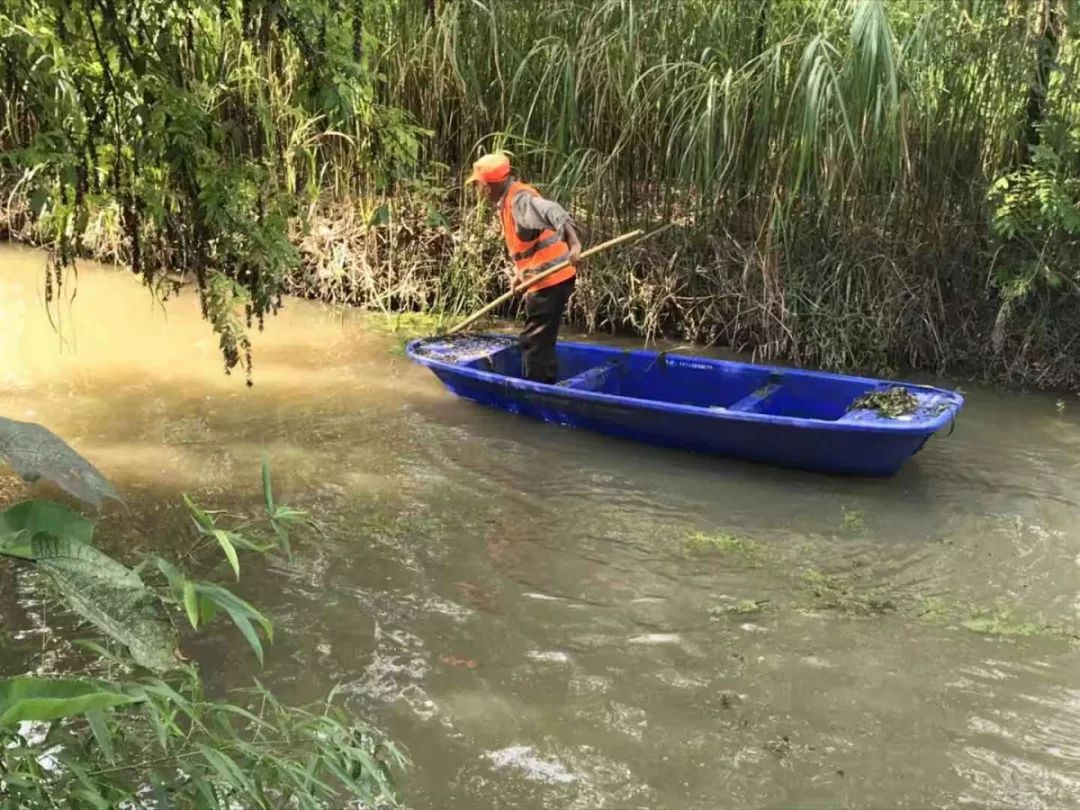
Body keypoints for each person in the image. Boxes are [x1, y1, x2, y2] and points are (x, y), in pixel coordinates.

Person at [467, 152, 582, 383]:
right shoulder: (508, 200)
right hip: (548, 277)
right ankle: (545, 379)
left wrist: (575, 243)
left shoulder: (519, 200)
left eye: (479, 186)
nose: (479, 192)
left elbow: (553, 211)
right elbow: (530, 247)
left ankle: (538, 390)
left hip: (552, 280)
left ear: (490, 186)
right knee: (540, 337)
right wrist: (521, 273)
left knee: (534, 340)